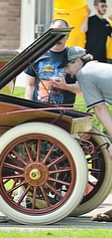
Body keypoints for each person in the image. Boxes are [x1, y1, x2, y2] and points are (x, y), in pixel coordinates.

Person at [58, 46, 112, 221]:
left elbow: (100, 108)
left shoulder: (84, 74)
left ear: (78, 61)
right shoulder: (95, 68)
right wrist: (66, 87)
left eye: (67, 66)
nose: (67, 71)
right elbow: (86, 89)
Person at [24, 19, 80, 106]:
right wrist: (27, 107)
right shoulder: (37, 55)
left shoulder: (74, 58)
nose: (58, 38)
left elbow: (81, 88)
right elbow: (30, 85)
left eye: (62, 34)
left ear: (68, 36)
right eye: (55, 34)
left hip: (64, 113)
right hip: (39, 110)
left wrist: (65, 86)